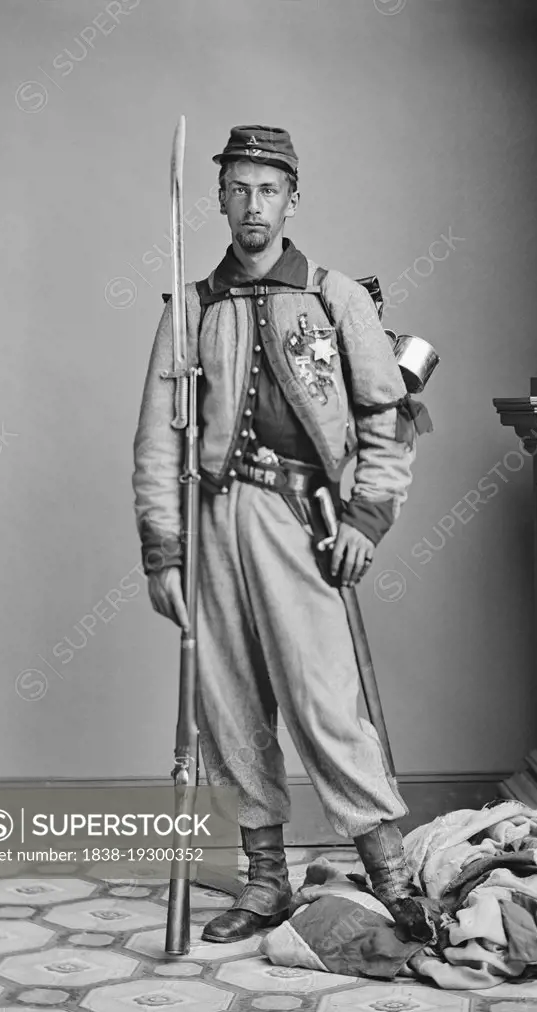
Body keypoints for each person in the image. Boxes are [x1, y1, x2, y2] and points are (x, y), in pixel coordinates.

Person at [132, 124, 419, 943]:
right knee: (227, 705)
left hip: (303, 523)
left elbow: (387, 417)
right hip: (211, 521)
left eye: (269, 189)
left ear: (293, 198)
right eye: (238, 188)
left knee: (325, 703)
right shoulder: (189, 309)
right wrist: (163, 549)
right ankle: (265, 880)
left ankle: (392, 874)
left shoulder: (337, 298)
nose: (253, 204)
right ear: (219, 197)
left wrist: (368, 516)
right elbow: (158, 439)